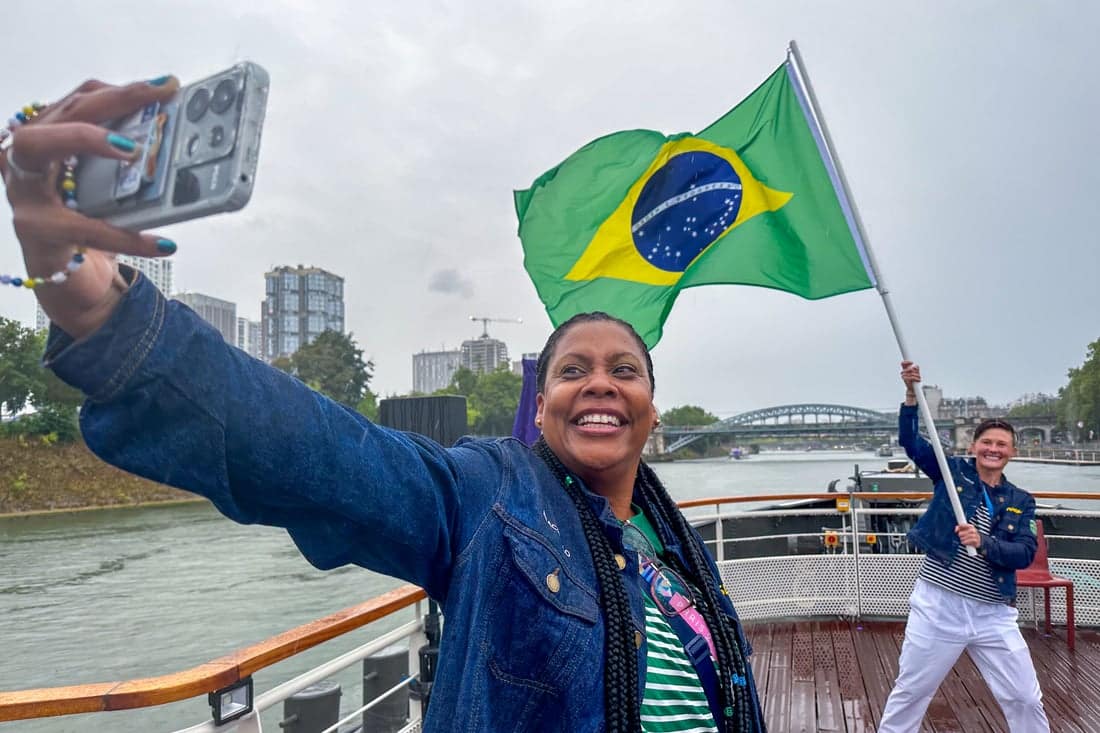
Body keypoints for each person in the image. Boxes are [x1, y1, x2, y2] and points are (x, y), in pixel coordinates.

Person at [1, 77, 765, 732]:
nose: (600, 382)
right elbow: (322, 456)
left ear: (653, 410)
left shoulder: (674, 541)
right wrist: (105, 314)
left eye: (624, 369)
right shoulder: (490, 498)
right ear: (540, 411)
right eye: (573, 369)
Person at [878, 361, 1048, 732]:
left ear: (1011, 453)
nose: (993, 449)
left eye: (1001, 445)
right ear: (974, 446)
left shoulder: (1021, 499)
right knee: (912, 691)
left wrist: (983, 542)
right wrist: (910, 396)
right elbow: (912, 443)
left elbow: (1023, 553)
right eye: (987, 442)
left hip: (993, 613)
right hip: (940, 605)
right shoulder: (952, 471)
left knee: (1024, 697)